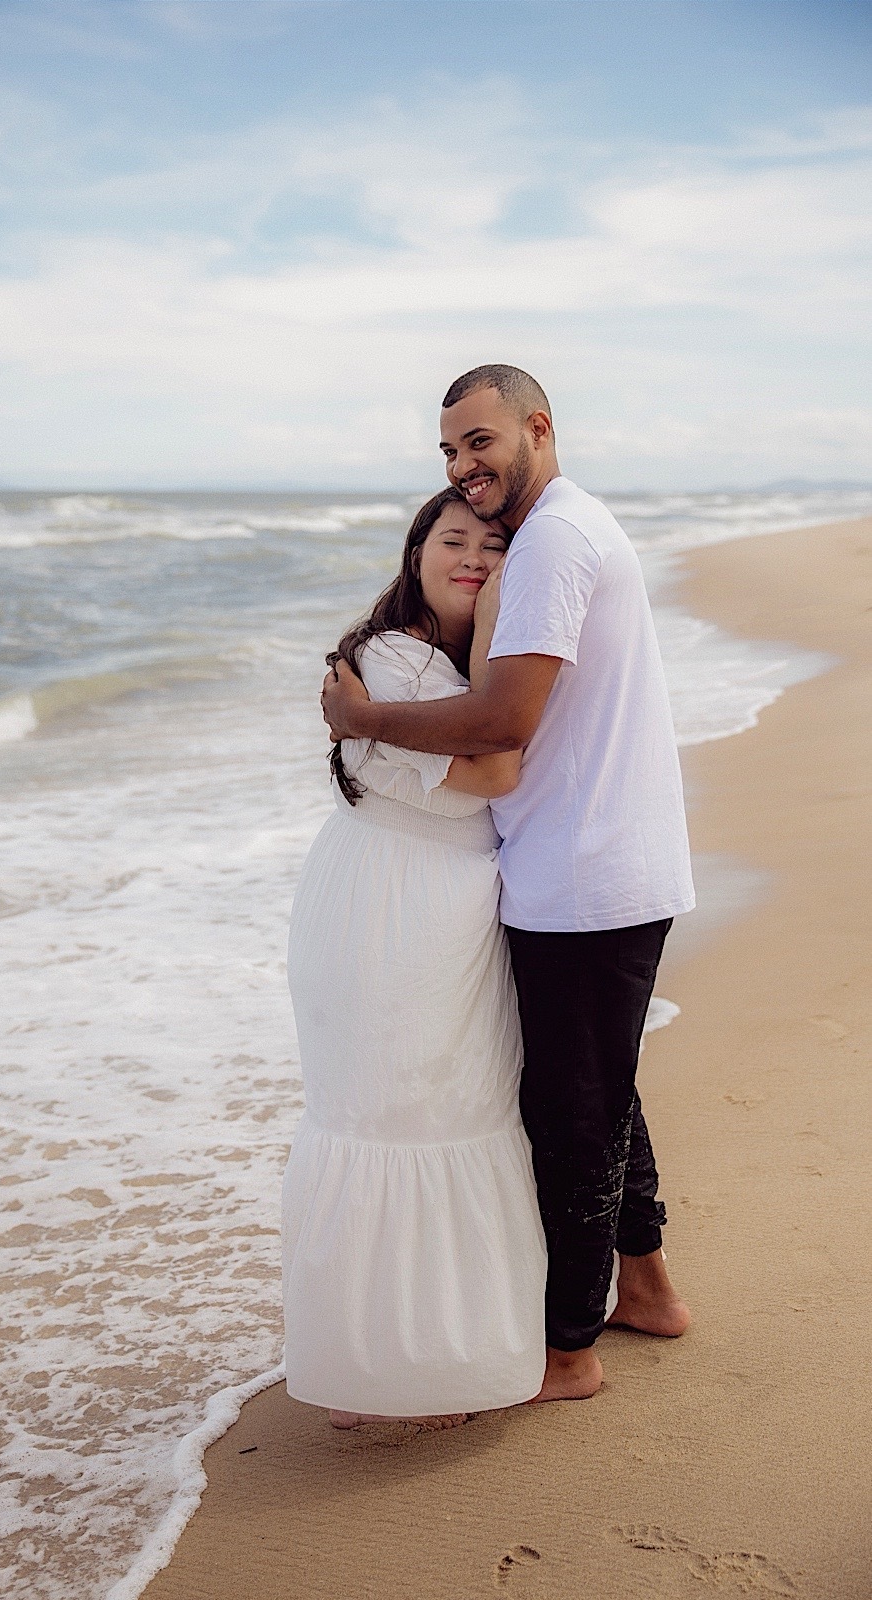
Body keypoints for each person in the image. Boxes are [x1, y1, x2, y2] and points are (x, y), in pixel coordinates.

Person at [322, 365, 694, 1403]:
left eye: (478, 441)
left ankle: (565, 1353)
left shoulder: (550, 543)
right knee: (598, 1089)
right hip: (594, 863)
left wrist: (365, 720)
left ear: (537, 426)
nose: (462, 466)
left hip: (582, 872)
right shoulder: (564, 530)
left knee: (570, 1114)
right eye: (446, 453)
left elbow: (500, 724)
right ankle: (646, 1289)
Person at [282, 488, 549, 1429]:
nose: (473, 558)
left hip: (442, 908)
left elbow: (488, 745)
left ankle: (438, 1358)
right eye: (453, 541)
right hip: (388, 910)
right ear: (414, 552)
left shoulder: (449, 663)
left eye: (494, 547)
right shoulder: (390, 659)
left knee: (450, 1109)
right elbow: (493, 772)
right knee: (393, 1114)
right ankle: (376, 1370)